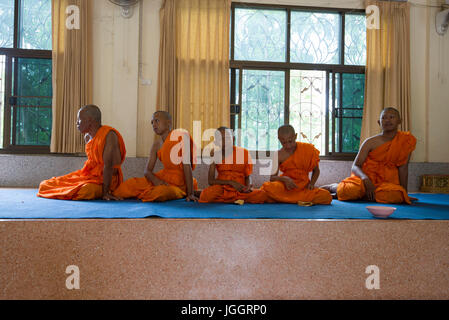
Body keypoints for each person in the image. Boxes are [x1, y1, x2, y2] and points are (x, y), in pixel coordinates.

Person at [321, 107, 417, 204]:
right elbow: (356, 166)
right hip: (365, 179)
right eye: (384, 118)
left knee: (395, 196)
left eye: (392, 117)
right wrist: (365, 179)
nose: (388, 120)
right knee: (350, 191)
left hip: (387, 183)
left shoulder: (405, 141)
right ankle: (334, 187)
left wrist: (404, 193)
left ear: (400, 121)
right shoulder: (370, 142)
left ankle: (363, 196)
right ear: (379, 122)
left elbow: (403, 169)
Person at [38, 105, 126, 200]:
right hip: (89, 176)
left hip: (107, 181)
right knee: (45, 184)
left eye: (79, 120)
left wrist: (106, 193)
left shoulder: (109, 135)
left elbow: (108, 166)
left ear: (89, 120)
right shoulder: (87, 137)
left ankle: (102, 190)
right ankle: (73, 189)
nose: (77, 123)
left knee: (85, 191)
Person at [113, 111, 198, 202]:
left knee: (160, 192)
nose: (154, 125)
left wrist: (190, 194)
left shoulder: (181, 136)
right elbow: (147, 171)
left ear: (168, 122)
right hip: (162, 178)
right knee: (127, 185)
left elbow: (187, 165)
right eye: (152, 122)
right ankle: (147, 192)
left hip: (179, 183)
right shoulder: (156, 144)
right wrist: (157, 181)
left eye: (157, 121)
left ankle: (183, 192)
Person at [261, 125, 332, 205]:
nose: (288, 146)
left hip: (303, 186)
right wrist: (285, 179)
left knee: (326, 196)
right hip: (286, 186)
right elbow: (272, 178)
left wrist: (312, 183)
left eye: (290, 141)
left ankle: (284, 199)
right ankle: (296, 199)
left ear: (295, 136)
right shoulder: (277, 154)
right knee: (268, 187)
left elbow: (316, 170)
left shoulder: (308, 149)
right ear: (279, 139)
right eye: (284, 142)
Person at [199, 127, 268, 204]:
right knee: (207, 195)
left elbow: (248, 176)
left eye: (227, 138)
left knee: (262, 194)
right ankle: (233, 199)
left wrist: (248, 187)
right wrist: (230, 182)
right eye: (220, 139)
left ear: (233, 139)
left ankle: (229, 199)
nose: (224, 141)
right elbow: (211, 181)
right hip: (223, 188)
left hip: (240, 188)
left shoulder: (244, 153)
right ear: (216, 142)